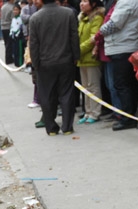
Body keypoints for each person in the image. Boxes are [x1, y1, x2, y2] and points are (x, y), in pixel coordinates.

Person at [29, 0, 80, 135]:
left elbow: (33, 44)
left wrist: (35, 64)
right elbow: (74, 37)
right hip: (66, 60)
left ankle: (51, 127)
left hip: (44, 63)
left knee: (46, 95)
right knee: (67, 93)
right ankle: (67, 126)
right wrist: (76, 56)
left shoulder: (35, 18)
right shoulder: (68, 13)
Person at [95, 0, 138, 131]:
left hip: (123, 47)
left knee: (122, 85)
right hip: (123, 46)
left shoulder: (127, 2)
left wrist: (101, 29)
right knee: (126, 84)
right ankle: (129, 116)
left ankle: (127, 118)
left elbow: (114, 24)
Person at [77, 0, 105, 124]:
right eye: (81, 1)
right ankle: (87, 111)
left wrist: (78, 50)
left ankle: (95, 112)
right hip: (81, 58)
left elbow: (93, 39)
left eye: (85, 1)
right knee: (85, 87)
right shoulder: (82, 18)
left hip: (91, 57)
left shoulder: (97, 18)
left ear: (93, 4)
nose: (81, 4)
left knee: (93, 86)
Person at [1, 0, 16, 64]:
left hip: (3, 27)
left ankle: (8, 58)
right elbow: (13, 18)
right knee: (10, 44)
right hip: (9, 26)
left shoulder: (3, 7)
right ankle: (9, 59)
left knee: (6, 43)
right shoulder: (12, 7)